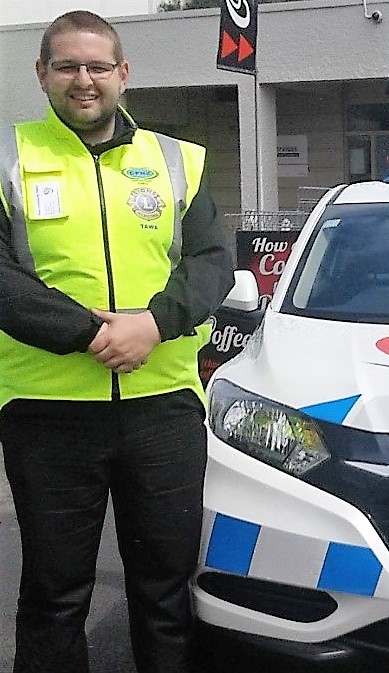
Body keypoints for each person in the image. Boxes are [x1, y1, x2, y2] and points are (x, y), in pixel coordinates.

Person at [0, 10, 233, 673]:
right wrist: (94, 334)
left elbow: (213, 261)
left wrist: (153, 324)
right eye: (68, 66)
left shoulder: (175, 160)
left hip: (162, 409)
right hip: (47, 411)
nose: (84, 80)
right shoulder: (8, 157)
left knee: (164, 592)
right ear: (41, 73)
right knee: (53, 594)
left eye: (98, 66)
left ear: (122, 74)